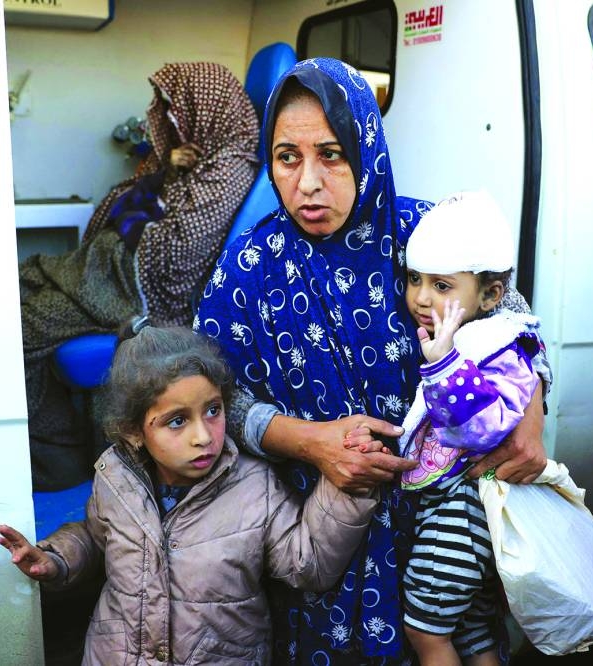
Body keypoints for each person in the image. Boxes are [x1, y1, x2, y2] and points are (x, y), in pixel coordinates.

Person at [195, 58, 548, 664]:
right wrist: (310, 443)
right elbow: (215, 398)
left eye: (331, 154)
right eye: (287, 157)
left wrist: (532, 413)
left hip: (442, 524)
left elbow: (515, 323)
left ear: (368, 147)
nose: (308, 183)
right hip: (320, 534)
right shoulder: (251, 266)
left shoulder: (428, 235)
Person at [0, 326, 378, 665]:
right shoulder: (114, 477)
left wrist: (348, 485)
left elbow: (305, 563)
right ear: (133, 431)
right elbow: (96, 539)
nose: (203, 435)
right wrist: (55, 558)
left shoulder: (252, 485)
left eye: (213, 411)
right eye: (177, 421)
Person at [20, 62, 259, 491]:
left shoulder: (230, 167)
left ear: (203, 108)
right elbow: (133, 199)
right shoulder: (197, 156)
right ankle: (59, 448)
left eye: (176, 110)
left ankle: (56, 458)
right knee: (26, 283)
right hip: (109, 265)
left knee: (23, 324)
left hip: (129, 283)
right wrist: (166, 169)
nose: (169, 120)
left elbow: (178, 252)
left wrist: (132, 226)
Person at [362, 191, 551, 666]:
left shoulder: (501, 345)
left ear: (490, 294)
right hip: (452, 506)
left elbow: (483, 429)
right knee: (469, 631)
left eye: (442, 286)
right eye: (414, 280)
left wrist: (444, 366)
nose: (422, 298)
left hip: (462, 508)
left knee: (424, 631)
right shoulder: (476, 334)